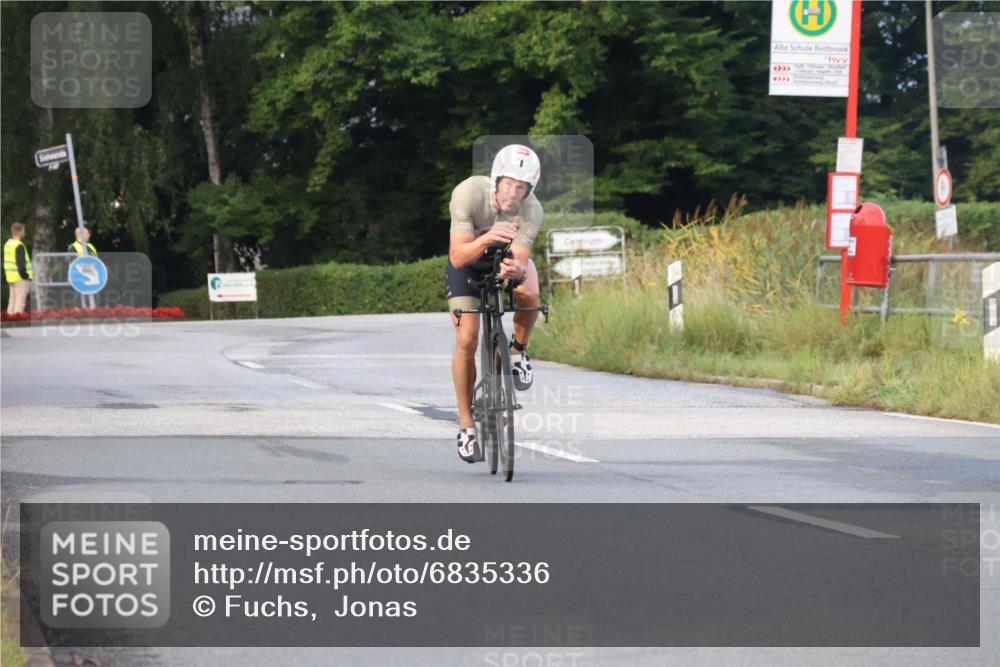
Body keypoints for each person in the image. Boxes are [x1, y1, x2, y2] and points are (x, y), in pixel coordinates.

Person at [447, 144, 543, 463]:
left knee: (529, 294)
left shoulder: (532, 210)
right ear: (496, 179)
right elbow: (458, 255)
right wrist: (488, 237)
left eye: (522, 188)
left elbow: (521, 258)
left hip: (504, 260)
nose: (513, 194)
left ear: (529, 190)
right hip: (469, 263)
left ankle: (517, 350)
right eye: (508, 184)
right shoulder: (467, 194)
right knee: (467, 338)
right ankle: (466, 425)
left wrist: (514, 268)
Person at [4, 222, 33, 315]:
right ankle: (16, 324)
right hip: (20, 278)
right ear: (20, 232)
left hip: (11, 277)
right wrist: (26, 276)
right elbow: (21, 263)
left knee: (12, 301)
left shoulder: (8, 244)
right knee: (19, 303)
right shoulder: (19, 245)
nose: (24, 232)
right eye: (23, 230)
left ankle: (8, 323)